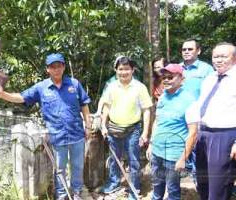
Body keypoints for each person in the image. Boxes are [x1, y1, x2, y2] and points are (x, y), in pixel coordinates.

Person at [0, 53, 91, 200]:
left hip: (77, 134)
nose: (56, 69)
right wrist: (2, 95)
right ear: (48, 69)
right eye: (53, 67)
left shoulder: (74, 84)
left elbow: (84, 105)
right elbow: (21, 97)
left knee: (77, 166)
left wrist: (88, 126)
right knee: (60, 169)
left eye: (59, 66)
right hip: (57, 136)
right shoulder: (41, 87)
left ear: (63, 67)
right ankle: (62, 195)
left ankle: (77, 193)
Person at [180, 42, 236, 200]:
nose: (218, 60)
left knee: (219, 188)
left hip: (225, 136)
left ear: (234, 58)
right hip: (203, 135)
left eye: (223, 56)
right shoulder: (210, 78)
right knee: (203, 184)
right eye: (215, 56)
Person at [100, 56, 152, 200]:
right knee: (114, 158)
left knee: (134, 160)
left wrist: (145, 133)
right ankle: (114, 183)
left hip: (133, 129)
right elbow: (106, 106)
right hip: (113, 128)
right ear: (116, 70)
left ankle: (134, 188)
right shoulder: (111, 86)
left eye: (127, 69)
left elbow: (146, 110)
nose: (124, 72)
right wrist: (103, 125)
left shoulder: (140, 87)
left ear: (133, 70)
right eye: (121, 69)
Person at [147, 64, 198, 200]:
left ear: (182, 79)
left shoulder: (189, 100)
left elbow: (193, 133)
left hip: (174, 154)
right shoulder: (163, 97)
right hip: (157, 151)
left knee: (173, 190)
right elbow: (157, 122)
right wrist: (151, 144)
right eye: (164, 77)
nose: (166, 80)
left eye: (171, 77)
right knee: (157, 187)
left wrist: (183, 158)